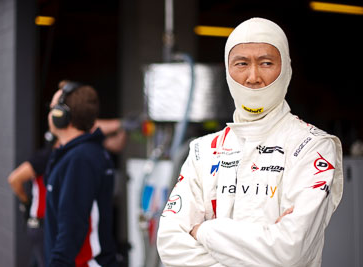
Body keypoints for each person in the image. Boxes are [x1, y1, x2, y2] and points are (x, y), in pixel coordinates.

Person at [157, 17, 343, 267]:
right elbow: (169, 245)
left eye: (266, 63)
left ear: (286, 68)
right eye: (241, 64)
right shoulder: (203, 151)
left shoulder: (312, 146)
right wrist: (263, 249)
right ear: (227, 70)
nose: (253, 77)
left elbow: (290, 251)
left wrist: (203, 232)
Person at [44, 81, 118, 266]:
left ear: (62, 115)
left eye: (53, 108)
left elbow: (72, 225)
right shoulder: (79, 154)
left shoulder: (80, 159)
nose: (50, 114)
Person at [8, 131, 58, 267]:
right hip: (42, 224)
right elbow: (14, 179)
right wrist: (26, 201)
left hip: (46, 224)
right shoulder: (46, 157)